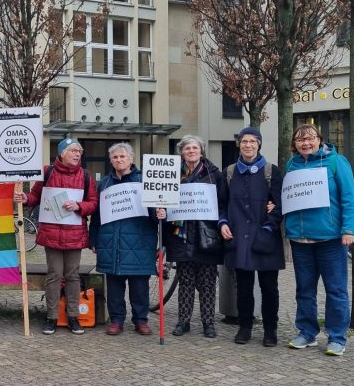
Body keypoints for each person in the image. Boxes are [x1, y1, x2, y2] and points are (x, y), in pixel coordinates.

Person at [283, 123, 354, 357]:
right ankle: (307, 332)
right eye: (300, 139)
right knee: (304, 289)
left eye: (310, 138)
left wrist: (348, 229)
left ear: (319, 140)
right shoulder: (291, 164)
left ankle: (337, 337)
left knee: (335, 290)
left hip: (330, 239)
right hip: (300, 240)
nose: (305, 143)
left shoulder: (336, 162)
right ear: (294, 144)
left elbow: (349, 197)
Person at [15, 137, 98, 335]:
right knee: (54, 275)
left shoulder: (86, 176)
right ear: (62, 154)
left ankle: (73, 317)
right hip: (52, 232)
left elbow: (94, 202)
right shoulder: (47, 172)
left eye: (79, 151)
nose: (77, 154)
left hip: (74, 234)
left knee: (72, 276)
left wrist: (79, 206)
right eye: (73, 151)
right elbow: (35, 196)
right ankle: (51, 317)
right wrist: (26, 199)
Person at [89, 143, 165, 336]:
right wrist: (94, 239)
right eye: (115, 157)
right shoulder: (105, 183)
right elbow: (97, 216)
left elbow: (155, 214)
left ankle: (141, 320)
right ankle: (116, 320)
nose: (119, 160)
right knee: (114, 286)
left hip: (140, 241)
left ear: (131, 159)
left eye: (123, 156)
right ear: (111, 161)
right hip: (111, 242)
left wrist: (159, 212)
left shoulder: (145, 181)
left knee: (139, 286)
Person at [218, 126, 284, 347]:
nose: (248, 145)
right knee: (243, 288)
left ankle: (270, 330)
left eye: (252, 142)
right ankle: (244, 327)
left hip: (265, 238)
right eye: (244, 142)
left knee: (269, 288)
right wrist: (223, 223)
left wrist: (268, 228)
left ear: (259, 144)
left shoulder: (271, 171)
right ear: (239, 145)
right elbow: (222, 203)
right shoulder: (228, 172)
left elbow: (279, 204)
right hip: (239, 237)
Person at [164, 135, 222, 338]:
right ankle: (183, 321)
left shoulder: (214, 174)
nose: (191, 151)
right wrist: (162, 210)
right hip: (181, 234)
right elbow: (163, 198)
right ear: (181, 152)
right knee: (186, 281)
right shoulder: (172, 174)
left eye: (195, 148)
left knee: (207, 282)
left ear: (201, 151)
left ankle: (208, 322)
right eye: (187, 148)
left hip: (206, 234)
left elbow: (222, 202)